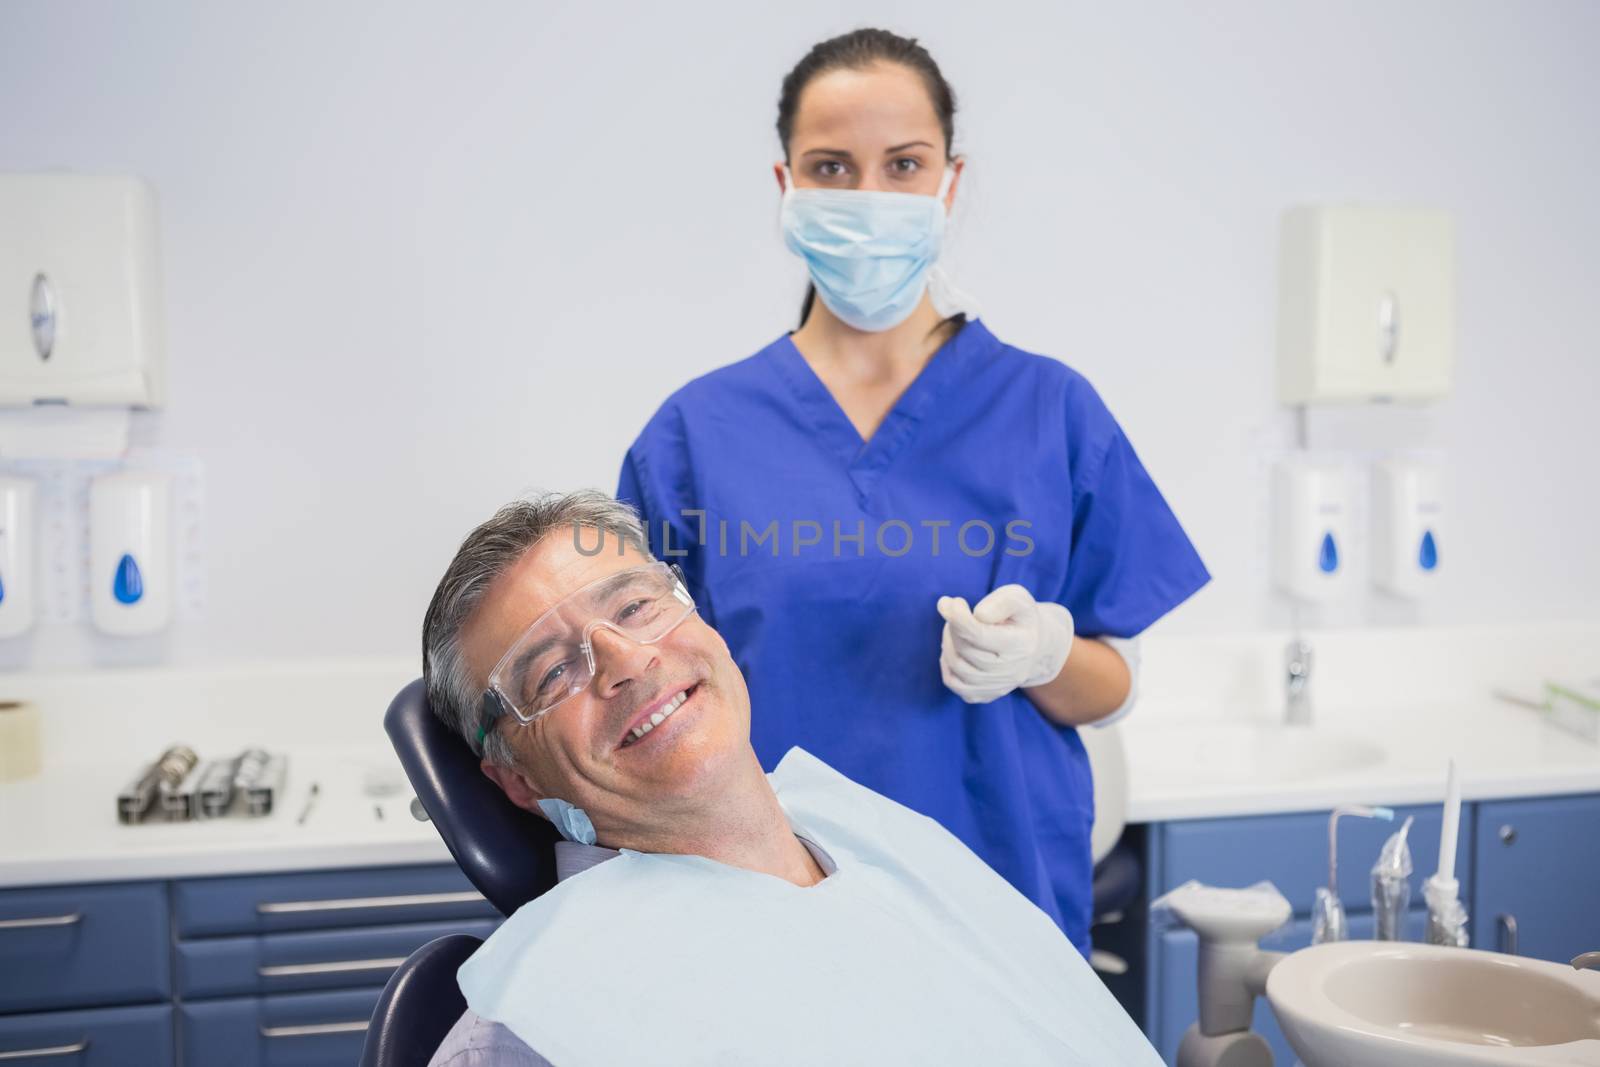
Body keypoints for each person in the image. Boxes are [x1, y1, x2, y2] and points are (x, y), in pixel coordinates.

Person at [618, 28, 1209, 955]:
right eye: (831, 166)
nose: (869, 197)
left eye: (903, 164)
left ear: (950, 181)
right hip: (767, 917)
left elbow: (1114, 681)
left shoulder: (1049, 409)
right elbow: (641, 701)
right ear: (787, 188)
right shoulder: (696, 435)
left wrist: (1047, 651)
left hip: (997, 911)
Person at [420, 492, 1164, 1067]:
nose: (628, 659)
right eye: (552, 670)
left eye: (637, 604)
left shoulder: (870, 835)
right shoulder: (540, 1021)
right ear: (514, 778)